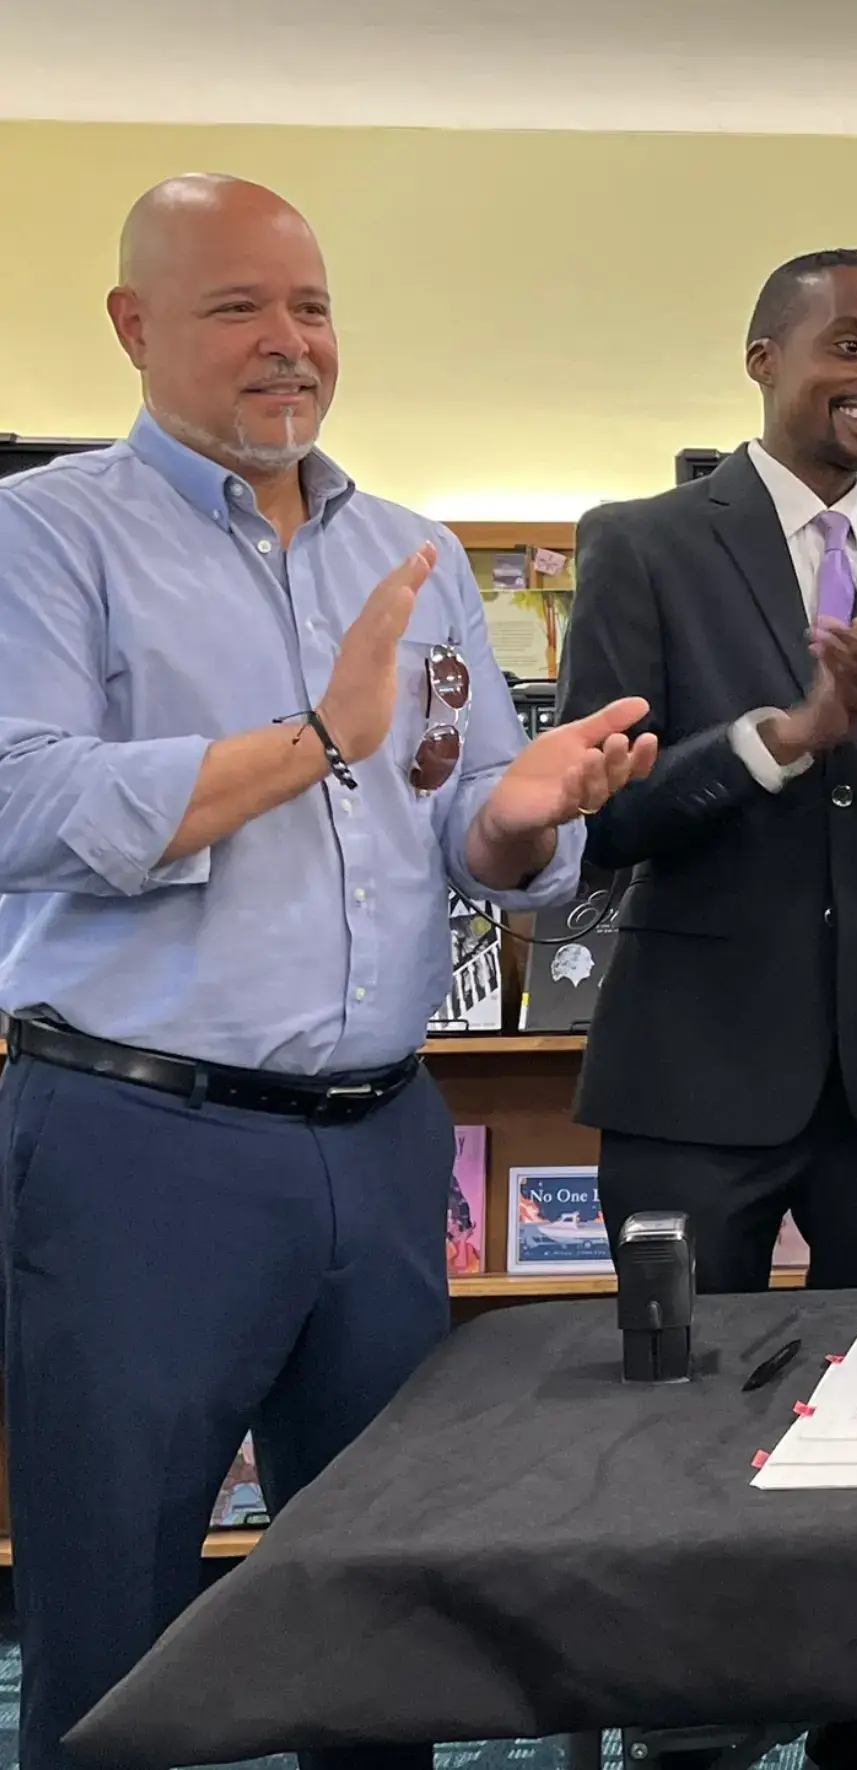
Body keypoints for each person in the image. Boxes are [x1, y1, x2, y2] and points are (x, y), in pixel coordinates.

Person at [0, 175, 654, 1770]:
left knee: (381, 1596)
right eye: (238, 308)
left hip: (380, 1139)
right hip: (138, 1145)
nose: (289, 344)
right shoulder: (45, 534)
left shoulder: (411, 552)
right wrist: (315, 742)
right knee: (119, 1605)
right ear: (133, 327)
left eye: (311, 307)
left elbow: (467, 840)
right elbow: (24, 800)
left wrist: (523, 814)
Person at [555, 249, 857, 1769]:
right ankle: (688, 1734)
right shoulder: (640, 546)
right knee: (673, 1431)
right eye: (851, 344)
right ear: (762, 354)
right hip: (693, 1077)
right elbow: (598, 814)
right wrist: (779, 734)